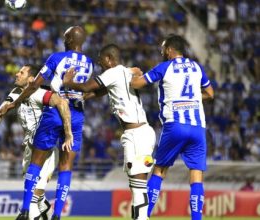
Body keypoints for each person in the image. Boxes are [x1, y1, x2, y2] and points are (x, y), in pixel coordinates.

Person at [0, 26, 93, 220]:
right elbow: (87, 90)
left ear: (67, 39)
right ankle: (57, 215)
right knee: (66, 166)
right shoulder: (89, 63)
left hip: (56, 111)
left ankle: (25, 209)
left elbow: (34, 85)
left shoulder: (57, 57)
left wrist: (15, 102)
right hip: (77, 113)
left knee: (37, 160)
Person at [63, 44, 156, 220]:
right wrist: (84, 97)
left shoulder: (113, 73)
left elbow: (88, 86)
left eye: (100, 60)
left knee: (138, 185)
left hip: (137, 134)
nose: (99, 63)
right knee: (137, 184)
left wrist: (68, 82)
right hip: (139, 133)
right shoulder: (122, 73)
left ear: (109, 59)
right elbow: (99, 91)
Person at [130, 34, 214, 220]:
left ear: (169, 50)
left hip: (175, 125)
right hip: (198, 127)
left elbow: (137, 83)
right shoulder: (196, 67)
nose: (161, 52)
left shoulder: (165, 67)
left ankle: (145, 216)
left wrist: (130, 73)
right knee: (197, 175)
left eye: (163, 49)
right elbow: (210, 93)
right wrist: (191, 100)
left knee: (159, 170)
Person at [0, 64, 73, 219]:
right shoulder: (14, 94)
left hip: (45, 147)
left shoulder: (40, 93)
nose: (16, 74)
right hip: (29, 147)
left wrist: (68, 133)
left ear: (31, 78)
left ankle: (34, 210)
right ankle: (44, 206)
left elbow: (61, 103)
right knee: (34, 193)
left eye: (22, 72)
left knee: (33, 195)